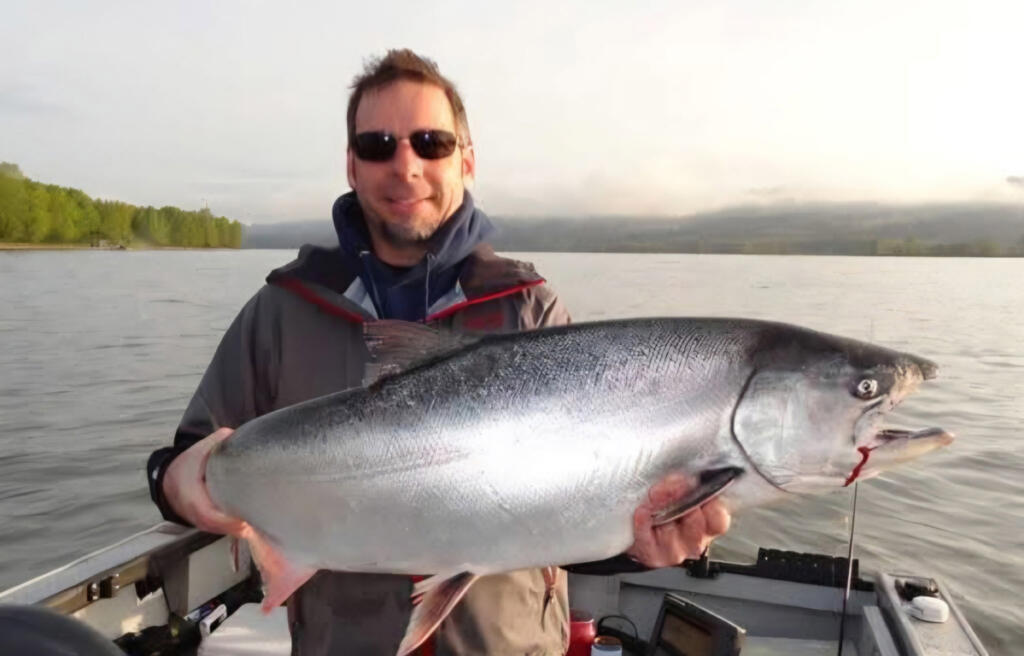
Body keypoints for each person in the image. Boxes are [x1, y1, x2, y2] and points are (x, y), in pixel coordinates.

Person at [146, 49, 731, 655]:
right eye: (378, 145)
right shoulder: (283, 312)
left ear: (467, 160)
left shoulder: (529, 312)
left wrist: (639, 542)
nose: (406, 166)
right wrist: (178, 481)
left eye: (431, 142)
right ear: (351, 165)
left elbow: (578, 507)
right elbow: (179, 463)